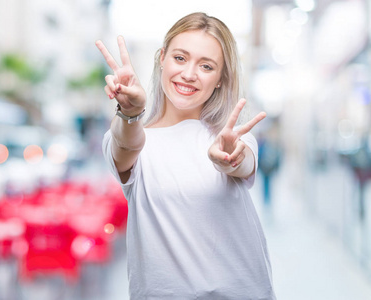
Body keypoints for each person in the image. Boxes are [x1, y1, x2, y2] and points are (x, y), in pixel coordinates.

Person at [96, 12, 276, 300]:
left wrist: (230, 158)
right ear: (162, 58)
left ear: (220, 79)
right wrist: (130, 113)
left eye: (206, 66)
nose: (189, 74)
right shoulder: (131, 136)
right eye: (180, 58)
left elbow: (243, 163)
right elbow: (126, 147)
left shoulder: (233, 136)